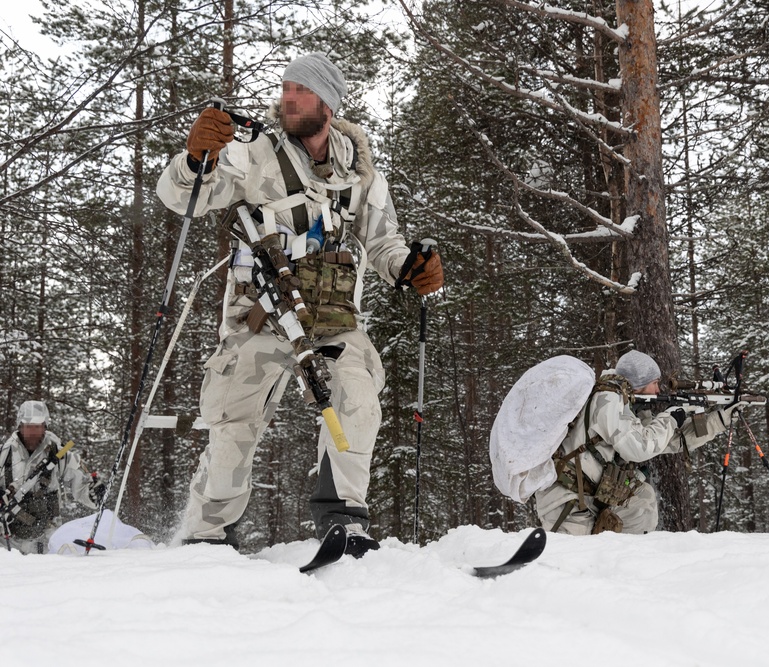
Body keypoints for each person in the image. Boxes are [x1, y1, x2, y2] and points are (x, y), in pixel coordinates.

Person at [156, 52, 443, 554]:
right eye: (285, 89)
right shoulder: (253, 154)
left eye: (301, 91)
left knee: (357, 396)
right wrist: (194, 160)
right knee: (232, 427)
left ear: (327, 105)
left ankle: (344, 519)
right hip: (259, 316)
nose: (288, 98)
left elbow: (381, 241)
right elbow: (186, 198)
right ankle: (204, 536)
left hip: (331, 319)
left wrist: (408, 268)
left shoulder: (360, 173)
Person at [533, 350, 743, 535]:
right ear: (640, 383)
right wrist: (670, 418)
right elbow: (640, 447)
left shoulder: (627, 405)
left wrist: (720, 420)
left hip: (589, 499)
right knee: (572, 569)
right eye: (654, 383)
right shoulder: (606, 399)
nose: (658, 391)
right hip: (566, 503)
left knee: (642, 498)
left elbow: (668, 442)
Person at [1, 401, 102, 554]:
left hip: (47, 540)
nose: (33, 431)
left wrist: (94, 493)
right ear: (20, 426)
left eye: (37, 426)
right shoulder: (5, 453)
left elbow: (80, 484)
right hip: (7, 542)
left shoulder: (57, 452)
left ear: (45, 426)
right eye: (29, 426)